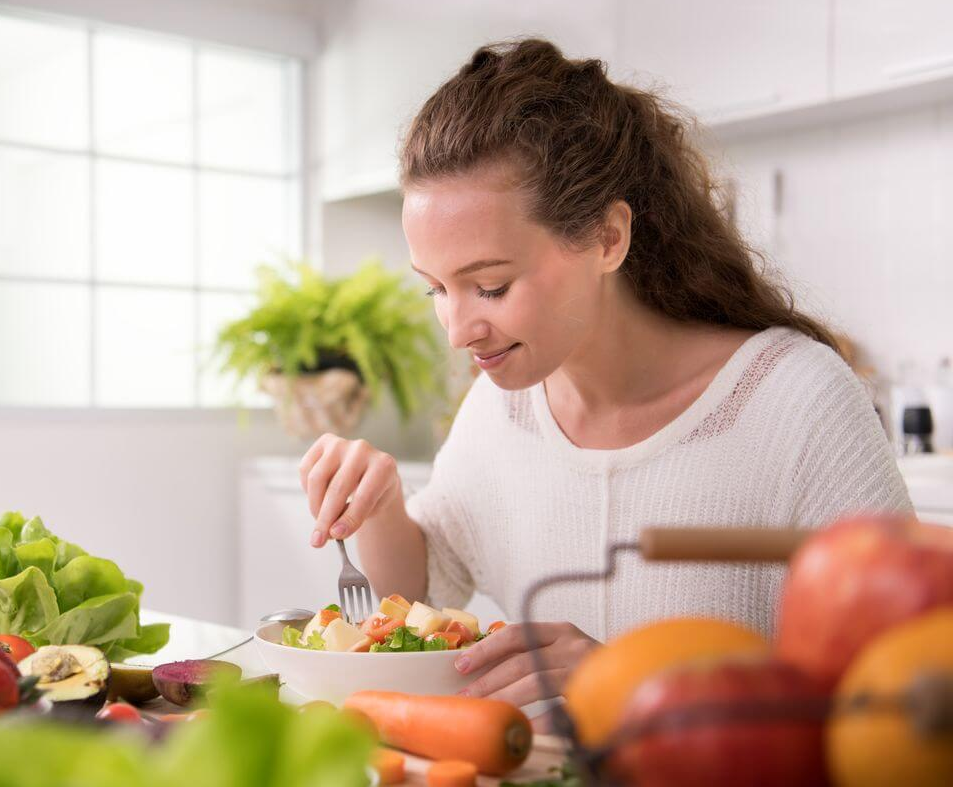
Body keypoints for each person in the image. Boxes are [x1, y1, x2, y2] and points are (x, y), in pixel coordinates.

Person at [297, 39, 909, 728]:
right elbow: (414, 588)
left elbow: (906, 700)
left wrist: (624, 678)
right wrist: (379, 508)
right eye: (437, 288)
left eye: (491, 286)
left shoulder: (796, 400)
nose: (458, 329)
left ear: (608, 237)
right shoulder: (503, 410)